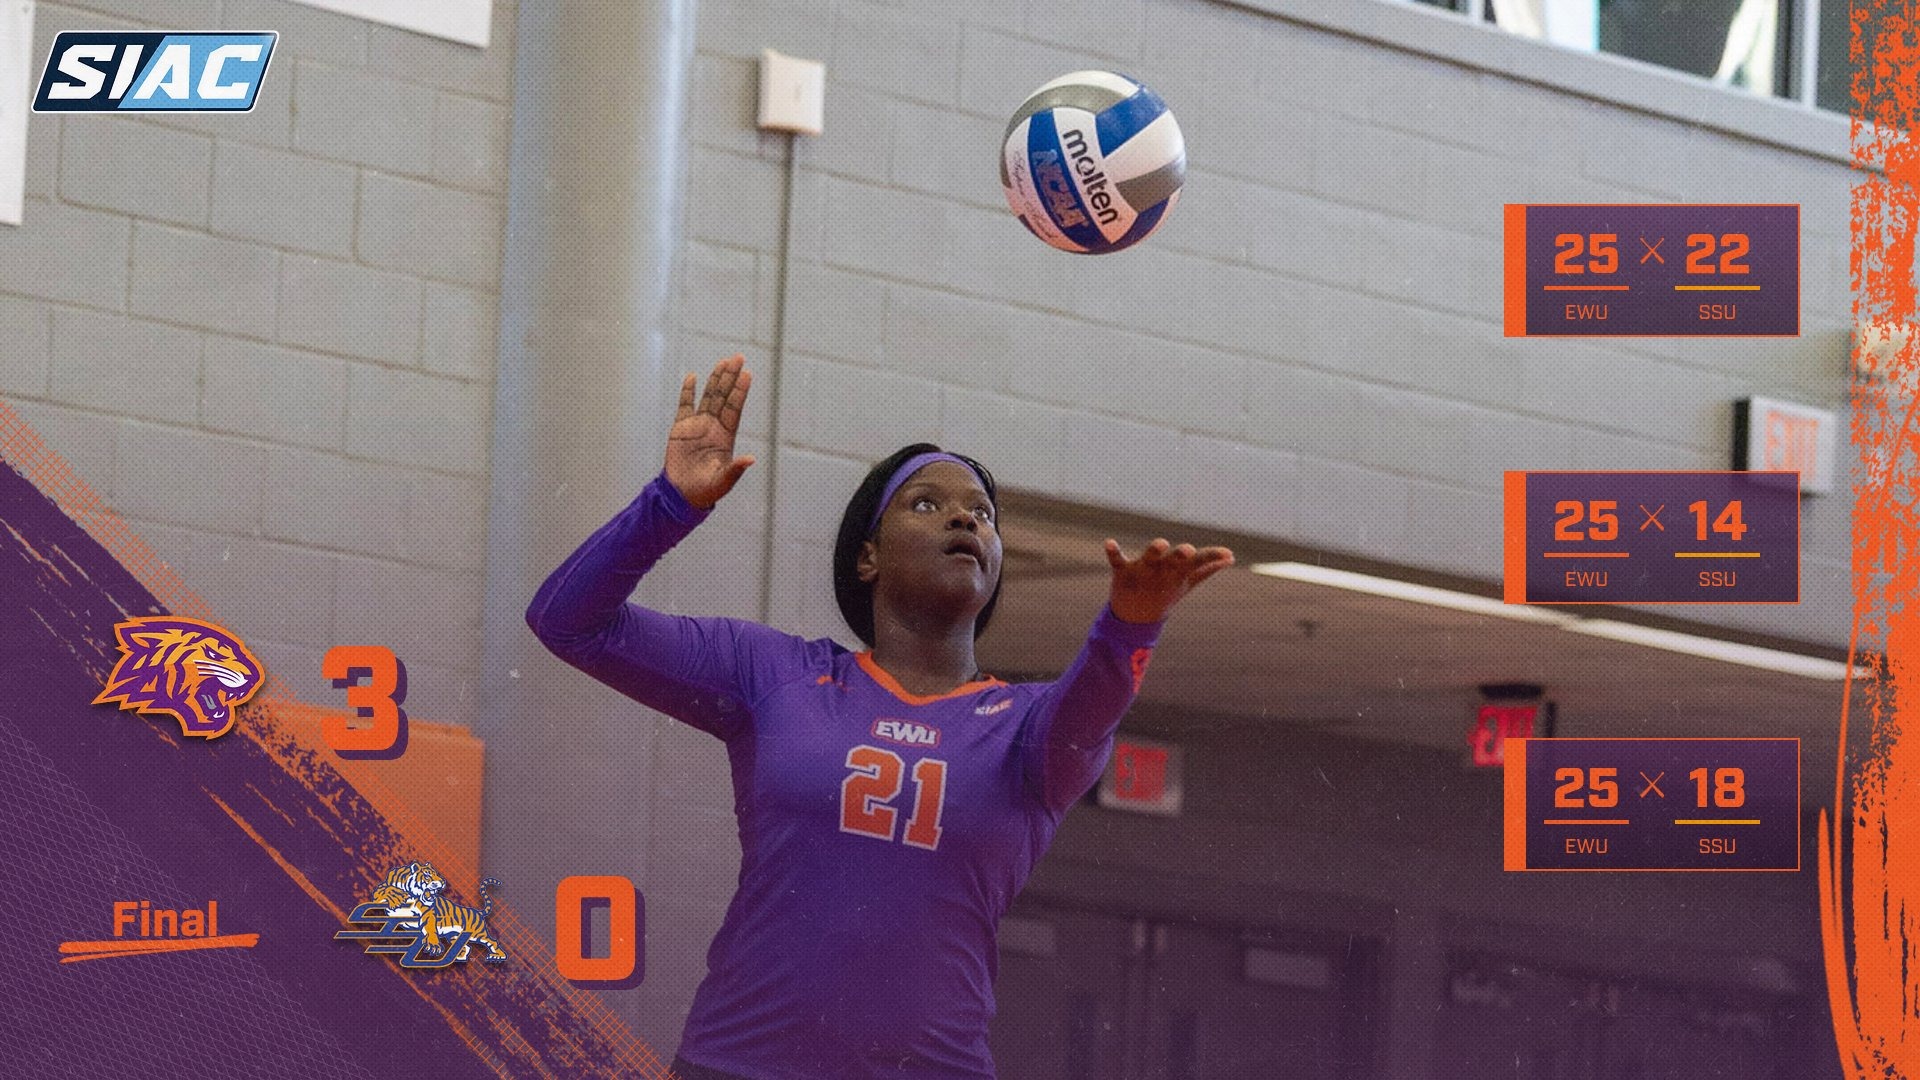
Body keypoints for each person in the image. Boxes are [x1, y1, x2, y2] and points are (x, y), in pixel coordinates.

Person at [526, 356, 1234, 1080]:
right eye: (927, 504)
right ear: (868, 555)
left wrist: (1129, 628)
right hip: (736, 1066)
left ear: (993, 568)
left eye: (982, 514)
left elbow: (1093, 707)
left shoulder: (1027, 728)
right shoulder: (775, 675)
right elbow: (568, 621)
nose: (965, 516)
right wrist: (669, 505)